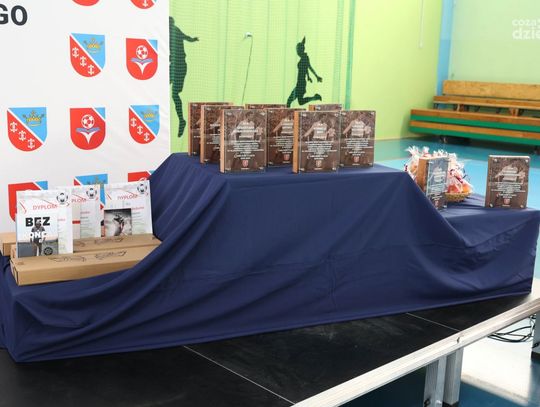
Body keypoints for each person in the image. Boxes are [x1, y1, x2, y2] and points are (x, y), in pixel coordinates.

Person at [170, 17, 199, 138]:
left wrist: (193, 39)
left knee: (175, 94)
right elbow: (188, 38)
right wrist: (192, 39)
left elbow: (187, 38)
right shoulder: (170, 31)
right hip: (172, 65)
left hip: (180, 66)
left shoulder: (174, 30)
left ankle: (181, 120)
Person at [286, 37, 323, 107]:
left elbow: (309, 67)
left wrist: (316, 76)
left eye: (297, 50)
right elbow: (305, 69)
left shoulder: (305, 58)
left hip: (301, 83)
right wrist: (308, 77)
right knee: (300, 101)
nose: (297, 52)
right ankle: (315, 97)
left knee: (289, 101)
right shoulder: (304, 58)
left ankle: (315, 97)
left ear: (300, 50)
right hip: (300, 83)